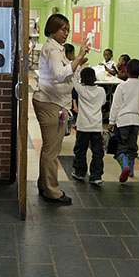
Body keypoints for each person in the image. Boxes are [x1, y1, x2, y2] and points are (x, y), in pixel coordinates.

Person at [33, 14, 88, 204]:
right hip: (51, 103)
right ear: (52, 29)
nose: (66, 33)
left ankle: (44, 185)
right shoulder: (54, 50)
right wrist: (79, 57)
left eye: (68, 29)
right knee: (52, 151)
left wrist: (77, 62)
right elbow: (59, 75)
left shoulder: (55, 47)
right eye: (62, 29)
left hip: (52, 101)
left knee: (49, 149)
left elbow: (65, 74)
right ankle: (52, 191)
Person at [107, 58, 139, 182]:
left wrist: (111, 121)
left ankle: (124, 166)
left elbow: (116, 106)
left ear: (127, 71)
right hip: (135, 121)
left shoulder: (122, 86)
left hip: (122, 120)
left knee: (121, 145)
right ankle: (131, 169)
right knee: (132, 145)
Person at [70, 67, 106, 186]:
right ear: (95, 78)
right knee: (97, 152)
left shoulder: (81, 90)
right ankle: (96, 176)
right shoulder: (101, 91)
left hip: (83, 126)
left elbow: (73, 79)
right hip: (96, 127)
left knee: (80, 150)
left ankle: (79, 172)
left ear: (82, 80)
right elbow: (103, 103)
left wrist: (79, 64)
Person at [64, 43, 79, 118]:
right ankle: (75, 106)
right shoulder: (69, 64)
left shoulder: (65, 62)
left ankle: (74, 106)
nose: (74, 55)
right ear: (69, 53)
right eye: (73, 53)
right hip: (70, 86)